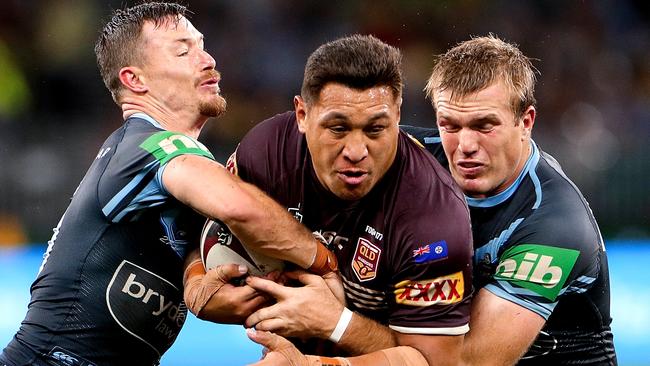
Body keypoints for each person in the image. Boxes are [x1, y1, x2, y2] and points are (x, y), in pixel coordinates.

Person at [0, 3, 337, 366]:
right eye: (183, 50)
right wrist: (326, 263)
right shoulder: (144, 144)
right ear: (135, 80)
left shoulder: (172, 169)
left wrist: (198, 289)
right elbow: (241, 208)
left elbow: (195, 256)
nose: (208, 59)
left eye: (202, 45)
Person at [252, 35, 617, 365]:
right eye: (450, 125)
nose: (465, 146)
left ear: (526, 121)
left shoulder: (553, 226)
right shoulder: (402, 155)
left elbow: (467, 364)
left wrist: (335, 322)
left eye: (484, 125)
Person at [205, 34, 474, 366]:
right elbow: (204, 221)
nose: (356, 152)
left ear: (398, 114)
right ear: (302, 115)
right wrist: (195, 284)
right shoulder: (266, 154)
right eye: (338, 129)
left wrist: (335, 326)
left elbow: (434, 363)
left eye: (375, 130)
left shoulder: (434, 219)